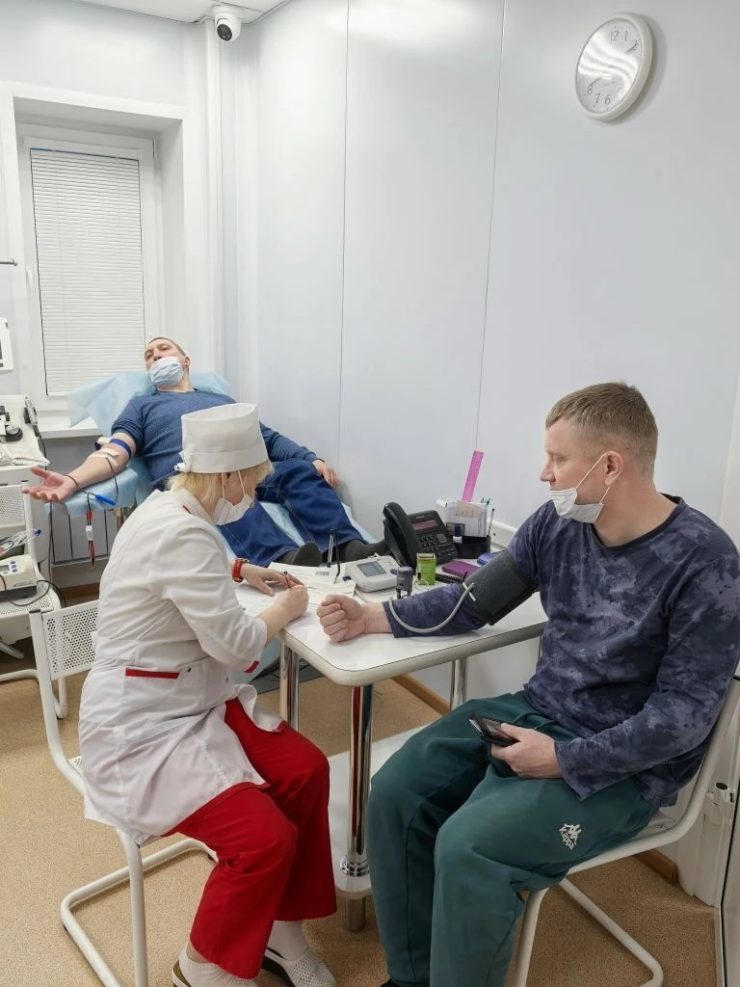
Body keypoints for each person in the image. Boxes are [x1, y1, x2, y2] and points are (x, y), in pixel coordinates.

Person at [317, 382, 740, 987]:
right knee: (394, 793)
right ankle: (413, 978)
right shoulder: (557, 524)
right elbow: (472, 602)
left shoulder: (706, 562)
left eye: (558, 459)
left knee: (470, 846)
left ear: (610, 466)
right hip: (536, 709)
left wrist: (566, 759)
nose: (544, 474)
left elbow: (683, 718)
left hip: (623, 766)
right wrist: (373, 617)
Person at [78, 402, 338, 987]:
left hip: (193, 697)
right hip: (141, 726)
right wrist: (286, 607)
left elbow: (192, 562)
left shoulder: (169, 505)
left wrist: (241, 570)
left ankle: (281, 930)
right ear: (228, 477)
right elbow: (239, 647)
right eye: (252, 482)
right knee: (264, 840)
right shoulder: (179, 531)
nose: (254, 493)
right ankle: (201, 967)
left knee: (305, 770)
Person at [26, 336, 384, 567]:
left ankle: (346, 547)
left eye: (163, 350)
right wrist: (72, 480)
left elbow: (266, 438)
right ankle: (283, 559)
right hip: (195, 477)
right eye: (149, 357)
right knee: (222, 487)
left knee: (299, 473)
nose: (155, 357)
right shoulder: (142, 407)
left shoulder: (220, 399)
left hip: (248, 468)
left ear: (185, 360)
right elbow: (116, 452)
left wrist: (309, 458)